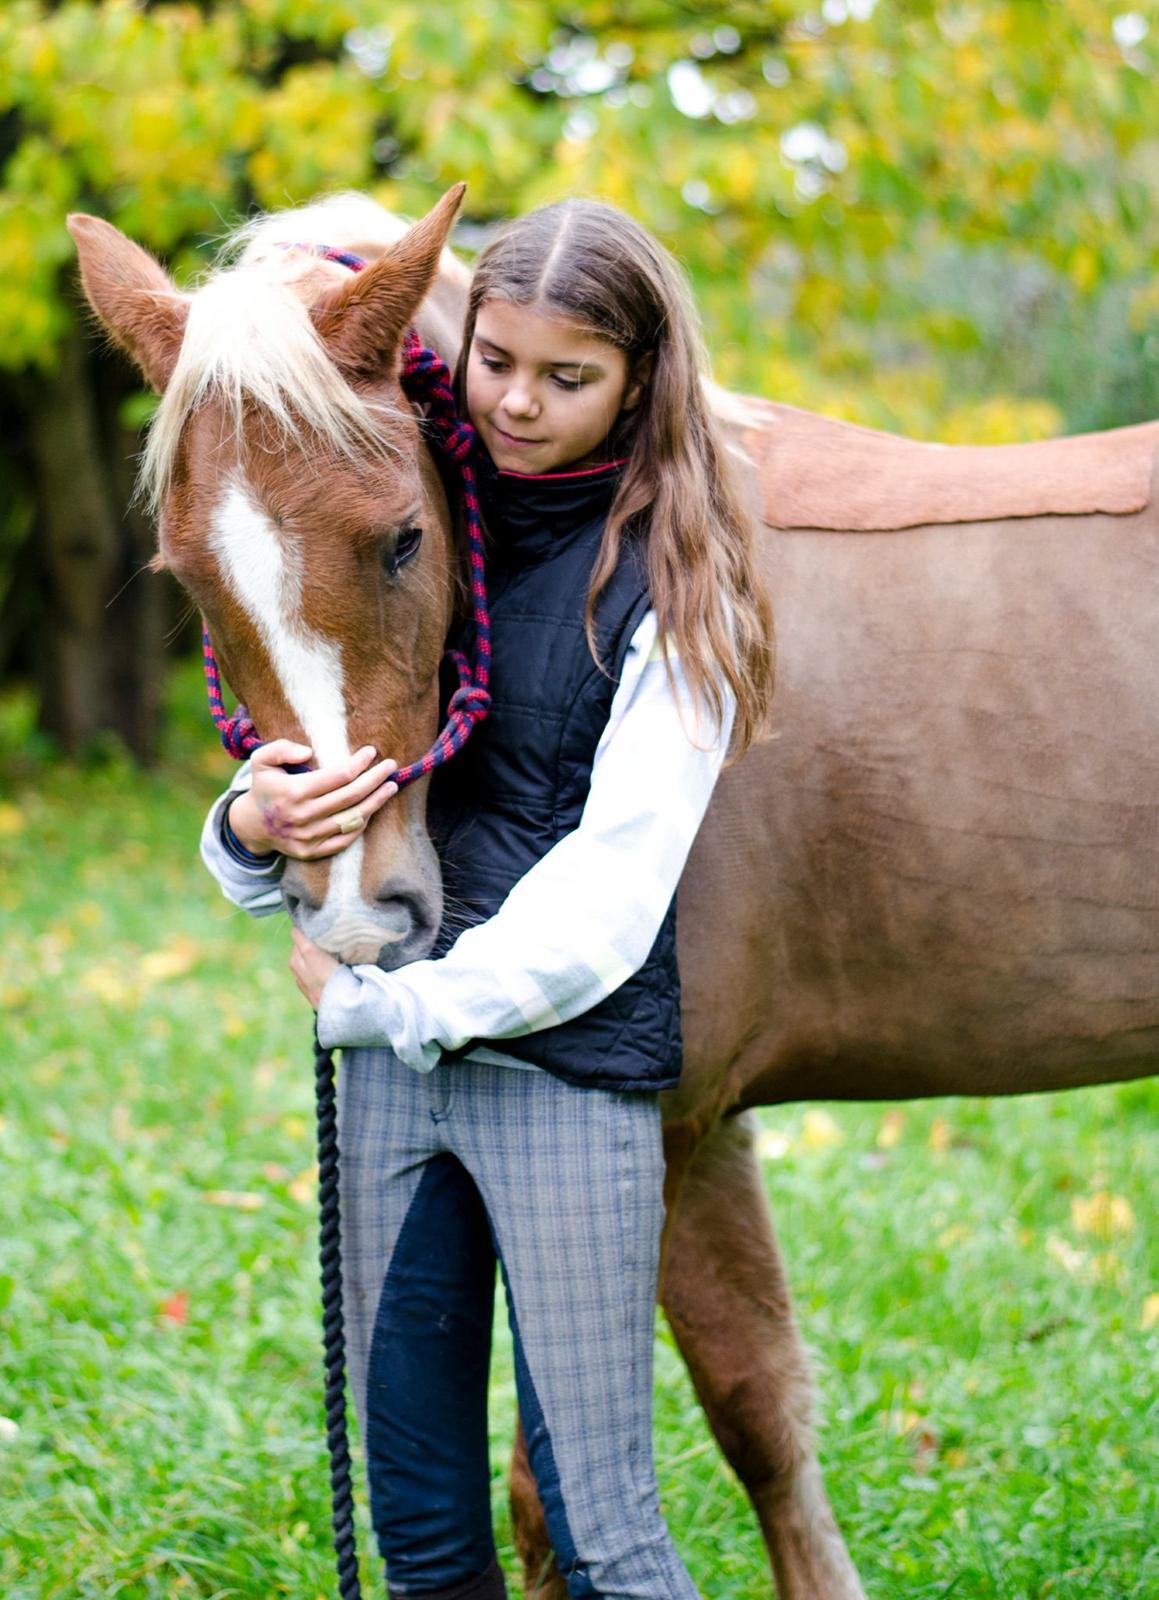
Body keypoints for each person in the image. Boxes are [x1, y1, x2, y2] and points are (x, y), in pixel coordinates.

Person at [199, 197, 775, 1600]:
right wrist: (248, 823)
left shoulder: (675, 582)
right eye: (497, 362)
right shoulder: (413, 505)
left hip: (564, 1079)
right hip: (397, 1085)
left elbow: (611, 897)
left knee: (606, 1538)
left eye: (569, 377)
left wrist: (385, 1008)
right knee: (427, 1533)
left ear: (642, 380)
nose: (518, 404)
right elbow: (331, 730)